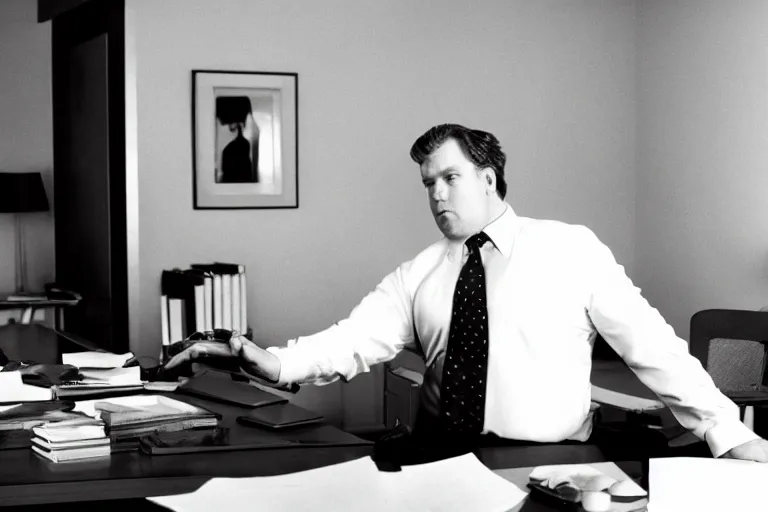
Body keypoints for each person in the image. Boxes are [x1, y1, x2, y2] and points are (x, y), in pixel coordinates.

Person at [166, 123, 768, 462]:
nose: (436, 195)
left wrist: (729, 434)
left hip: (546, 460)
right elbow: (354, 340)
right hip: (438, 454)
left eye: (449, 178)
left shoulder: (569, 248)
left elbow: (651, 348)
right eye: (428, 183)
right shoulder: (420, 271)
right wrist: (269, 359)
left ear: (487, 178)